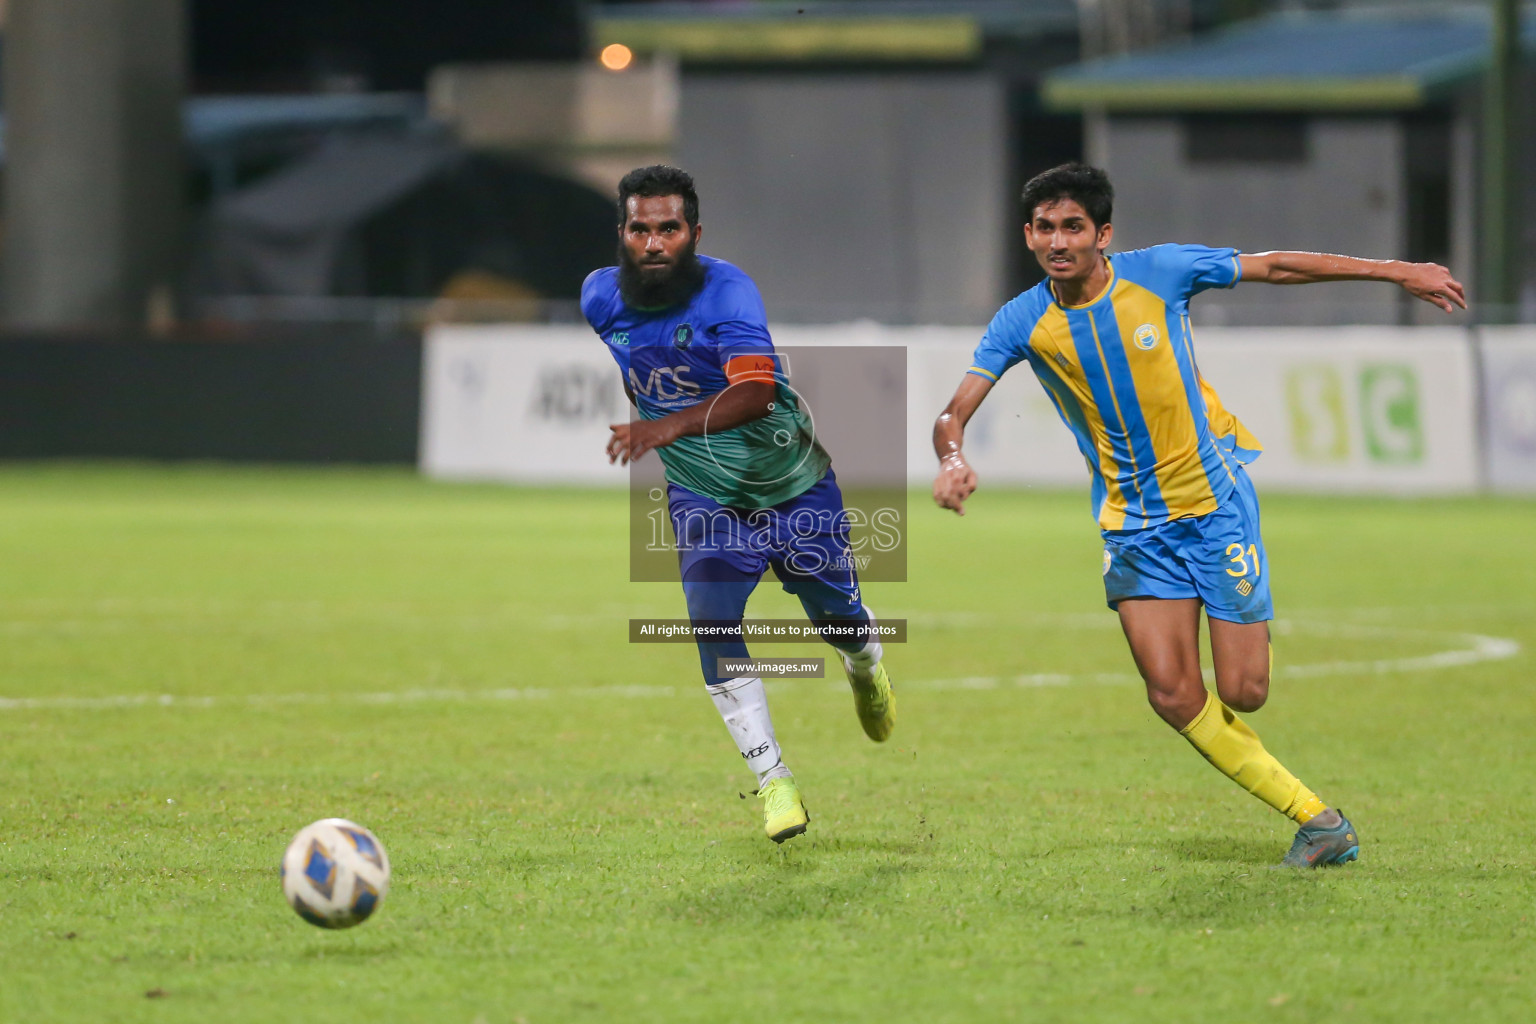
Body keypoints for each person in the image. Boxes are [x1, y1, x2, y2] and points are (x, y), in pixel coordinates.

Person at [931, 162, 1465, 867]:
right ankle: (1318, 820)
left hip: (1214, 508)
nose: (1058, 241)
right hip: (1134, 528)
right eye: (1045, 228)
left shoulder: (1161, 272)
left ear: (1103, 234)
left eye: (1073, 227)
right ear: (1027, 235)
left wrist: (1396, 272)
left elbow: (1274, 268)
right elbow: (954, 411)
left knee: (1246, 689)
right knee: (1174, 694)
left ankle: (1248, 618)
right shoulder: (1023, 320)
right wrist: (951, 458)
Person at [582, 165, 895, 845]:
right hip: (703, 495)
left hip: (789, 481)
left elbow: (753, 395)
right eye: (641, 229)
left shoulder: (728, 292)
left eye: (670, 228)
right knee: (712, 618)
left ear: (694, 233)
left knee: (836, 619)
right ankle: (774, 779)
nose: (655, 243)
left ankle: (865, 663)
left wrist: (661, 429)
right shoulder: (600, 299)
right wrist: (667, 440)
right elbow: (640, 376)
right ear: (623, 234)